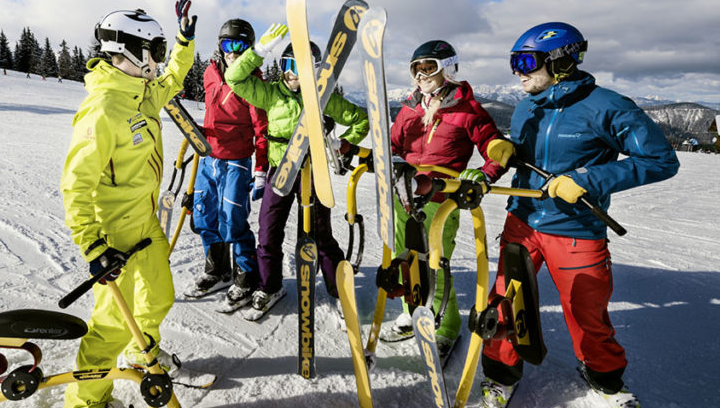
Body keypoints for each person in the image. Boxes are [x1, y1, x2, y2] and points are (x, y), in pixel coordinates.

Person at [478, 21, 679, 408]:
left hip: (575, 231)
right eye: (514, 62)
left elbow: (661, 161)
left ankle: (605, 380)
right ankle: (501, 375)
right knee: (505, 304)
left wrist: (589, 179)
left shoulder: (608, 106)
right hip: (522, 221)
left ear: (562, 61)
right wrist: (502, 154)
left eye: (527, 61)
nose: (518, 71)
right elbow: (524, 156)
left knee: (586, 311)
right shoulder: (525, 106)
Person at [60, 0, 196, 408]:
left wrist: (183, 41)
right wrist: (92, 245)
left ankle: (141, 355)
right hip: (115, 235)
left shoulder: (140, 96)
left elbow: (174, 76)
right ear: (131, 50)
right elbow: (75, 185)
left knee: (158, 296)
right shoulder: (103, 110)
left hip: (145, 223)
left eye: (158, 49)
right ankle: (86, 407)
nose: (157, 59)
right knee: (110, 326)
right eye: (152, 50)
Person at [225, 26, 369, 314]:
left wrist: (344, 145)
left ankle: (337, 288)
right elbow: (234, 78)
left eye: (301, 67)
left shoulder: (324, 97)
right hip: (281, 169)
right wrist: (257, 52)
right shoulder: (270, 95)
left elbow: (361, 120)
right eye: (288, 65)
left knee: (320, 232)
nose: (293, 74)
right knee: (268, 231)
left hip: (313, 172)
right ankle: (269, 286)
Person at [385, 40, 507, 358]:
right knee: (404, 256)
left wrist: (486, 173)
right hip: (405, 191)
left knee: (435, 263)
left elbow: (494, 145)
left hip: (441, 195)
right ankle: (413, 309)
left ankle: (446, 326)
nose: (422, 74)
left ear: (448, 69)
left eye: (430, 67)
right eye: (417, 68)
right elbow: (394, 145)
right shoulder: (411, 107)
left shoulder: (468, 110)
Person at [189, 19, 269, 297]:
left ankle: (245, 276)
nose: (232, 52)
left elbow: (262, 129)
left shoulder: (253, 82)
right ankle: (217, 270)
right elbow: (213, 114)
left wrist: (260, 169)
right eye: (227, 44)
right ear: (220, 46)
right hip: (208, 157)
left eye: (240, 46)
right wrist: (199, 132)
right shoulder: (210, 74)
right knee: (203, 216)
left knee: (232, 219)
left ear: (248, 50)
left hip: (236, 160)